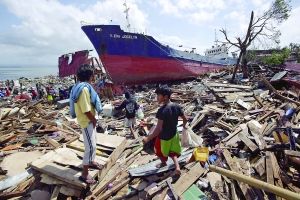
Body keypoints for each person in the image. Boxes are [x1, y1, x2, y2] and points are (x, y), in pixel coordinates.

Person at [69, 64, 103, 185]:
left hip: (88, 119)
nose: (93, 76)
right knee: (90, 146)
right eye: (93, 74)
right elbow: (86, 109)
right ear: (89, 76)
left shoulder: (79, 86)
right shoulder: (83, 89)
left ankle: (91, 161)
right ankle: (84, 173)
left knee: (93, 143)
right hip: (87, 120)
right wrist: (93, 120)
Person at [142, 86, 187, 175]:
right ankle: (177, 167)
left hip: (164, 137)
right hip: (174, 133)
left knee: (158, 150)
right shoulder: (176, 106)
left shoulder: (162, 111)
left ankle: (163, 163)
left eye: (158, 95)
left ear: (165, 97)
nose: (157, 97)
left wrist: (148, 138)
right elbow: (185, 119)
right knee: (172, 151)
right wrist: (185, 126)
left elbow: (158, 129)